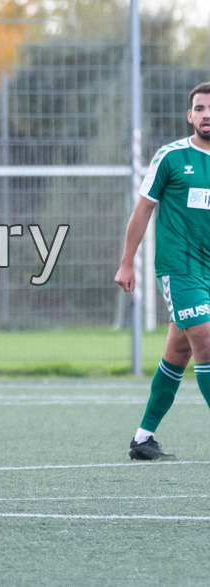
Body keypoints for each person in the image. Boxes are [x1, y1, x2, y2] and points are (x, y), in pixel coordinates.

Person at [115, 81, 210, 461]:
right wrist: (126, 262)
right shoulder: (170, 158)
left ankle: (142, 439)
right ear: (190, 115)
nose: (207, 115)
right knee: (205, 337)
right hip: (180, 269)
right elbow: (143, 210)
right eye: (200, 108)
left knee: (178, 353)